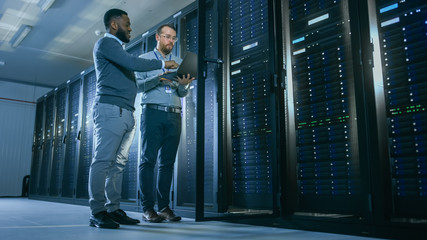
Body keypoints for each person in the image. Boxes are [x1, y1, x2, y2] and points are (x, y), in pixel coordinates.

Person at [88, 9, 179, 229]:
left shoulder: (118, 49)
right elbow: (135, 64)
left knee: (118, 165)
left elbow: (133, 80)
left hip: (126, 112)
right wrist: (163, 65)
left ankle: (113, 208)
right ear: (113, 25)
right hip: (111, 109)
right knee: (103, 161)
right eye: (126, 24)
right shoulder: (106, 44)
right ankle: (97, 211)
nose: (130, 28)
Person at [136, 24, 195, 223]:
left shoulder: (179, 62)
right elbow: (138, 86)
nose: (171, 41)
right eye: (167, 37)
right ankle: (147, 208)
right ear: (158, 37)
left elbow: (181, 93)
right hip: (152, 113)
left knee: (167, 164)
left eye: (174, 38)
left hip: (174, 115)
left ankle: (163, 207)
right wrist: (159, 77)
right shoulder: (144, 60)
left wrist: (184, 86)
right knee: (148, 161)